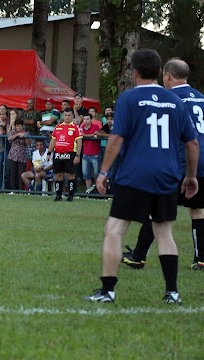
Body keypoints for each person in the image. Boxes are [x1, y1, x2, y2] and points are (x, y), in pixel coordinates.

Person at [86, 49, 199, 305]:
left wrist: (103, 172)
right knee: (164, 232)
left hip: (134, 173)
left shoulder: (129, 99)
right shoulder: (175, 102)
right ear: (160, 71)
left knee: (115, 229)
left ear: (134, 71)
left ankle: (108, 290)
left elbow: (116, 138)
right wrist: (190, 176)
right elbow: (192, 144)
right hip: (167, 175)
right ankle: (172, 292)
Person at [121, 58, 204, 272]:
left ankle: (138, 256)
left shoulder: (169, 99)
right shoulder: (202, 98)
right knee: (198, 209)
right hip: (202, 160)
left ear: (167, 76)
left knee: (156, 209)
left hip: (180, 161)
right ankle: (201, 258)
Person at [46, 108, 83, 201]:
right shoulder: (58, 127)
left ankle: (70, 196)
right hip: (58, 154)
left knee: (70, 175)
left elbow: (79, 142)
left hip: (70, 154)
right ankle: (58, 195)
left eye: (69, 115)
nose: (67, 117)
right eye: (65, 115)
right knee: (58, 175)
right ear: (63, 116)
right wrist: (49, 153)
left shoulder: (75, 127)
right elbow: (53, 141)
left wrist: (77, 155)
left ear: (72, 116)